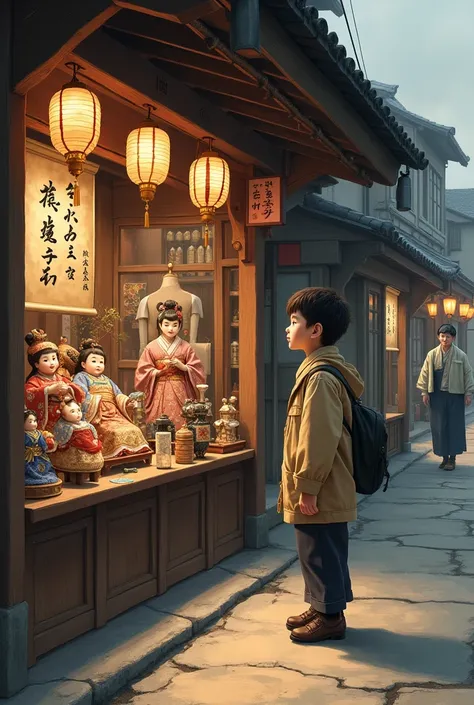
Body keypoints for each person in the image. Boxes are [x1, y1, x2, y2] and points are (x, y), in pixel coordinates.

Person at [278, 287, 364, 644]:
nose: (287, 328)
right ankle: (321, 606)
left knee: (321, 547)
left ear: (316, 330)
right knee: (315, 546)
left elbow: (318, 437)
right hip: (321, 483)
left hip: (321, 485)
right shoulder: (318, 370)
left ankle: (330, 618)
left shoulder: (321, 377)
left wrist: (308, 486)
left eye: (294, 321)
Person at [73, 339, 151, 460]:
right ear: (83, 364)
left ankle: (130, 454)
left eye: (101, 362)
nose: (98, 365)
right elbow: (81, 394)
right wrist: (98, 401)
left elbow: (118, 395)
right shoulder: (81, 377)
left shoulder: (107, 379)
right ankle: (115, 454)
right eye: (94, 361)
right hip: (98, 416)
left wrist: (127, 401)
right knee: (114, 432)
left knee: (133, 429)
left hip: (114, 414)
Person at [134, 299, 206, 429]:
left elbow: (197, 370)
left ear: (179, 326)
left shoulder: (186, 347)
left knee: (182, 420)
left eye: (174, 325)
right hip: (158, 388)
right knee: (158, 420)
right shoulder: (151, 347)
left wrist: (183, 367)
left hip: (180, 388)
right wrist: (156, 372)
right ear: (160, 325)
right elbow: (142, 371)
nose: (170, 328)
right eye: (166, 324)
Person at [416, 323, 474, 471]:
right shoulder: (432, 354)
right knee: (439, 426)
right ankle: (444, 457)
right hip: (437, 395)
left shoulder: (461, 355)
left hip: (455, 395)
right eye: (442, 336)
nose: (444, 339)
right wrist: (424, 392)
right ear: (438, 337)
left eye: (447, 337)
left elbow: (468, 374)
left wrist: (468, 393)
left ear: (453, 338)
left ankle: (452, 459)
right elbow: (425, 373)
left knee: (454, 426)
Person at [24, 329, 85, 433]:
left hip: (68, 415)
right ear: (36, 364)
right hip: (50, 421)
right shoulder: (34, 381)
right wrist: (48, 390)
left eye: (54, 358)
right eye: (46, 360)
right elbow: (29, 394)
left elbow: (79, 391)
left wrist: (69, 389)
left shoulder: (61, 378)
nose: (51, 363)